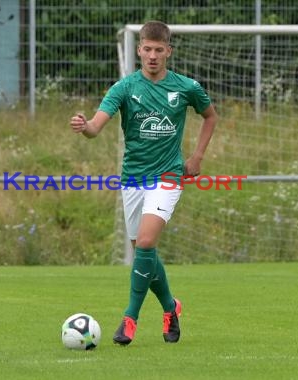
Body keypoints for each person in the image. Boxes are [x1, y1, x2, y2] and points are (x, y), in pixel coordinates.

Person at [69, 20, 217, 345]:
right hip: (133, 179)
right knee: (143, 256)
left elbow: (210, 116)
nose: (152, 55)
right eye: (147, 49)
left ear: (168, 52)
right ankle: (170, 306)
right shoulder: (124, 88)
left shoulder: (186, 87)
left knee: (147, 244)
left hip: (167, 177)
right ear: (139, 51)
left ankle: (129, 319)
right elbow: (96, 126)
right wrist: (85, 126)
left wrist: (197, 157)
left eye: (158, 50)